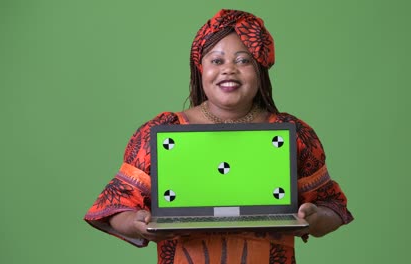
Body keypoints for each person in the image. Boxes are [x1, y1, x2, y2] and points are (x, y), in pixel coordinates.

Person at [84, 9, 353, 263]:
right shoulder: (164, 131)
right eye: (216, 60)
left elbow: (333, 206)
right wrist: (138, 224)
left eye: (243, 60)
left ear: (260, 69)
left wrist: (315, 219)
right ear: (200, 67)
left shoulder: (293, 134)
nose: (229, 69)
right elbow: (116, 206)